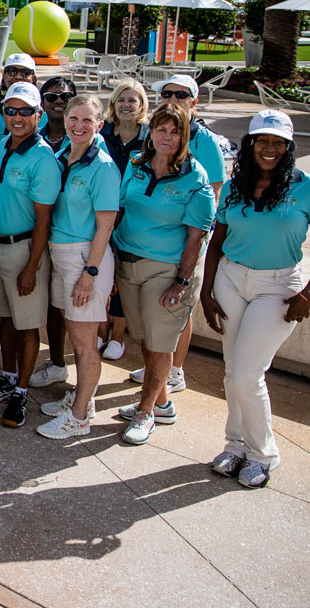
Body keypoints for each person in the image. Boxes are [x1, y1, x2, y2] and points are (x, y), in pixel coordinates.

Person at [201, 110, 310, 487]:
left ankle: (263, 454)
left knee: (248, 373)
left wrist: (308, 294)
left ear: (289, 147)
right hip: (231, 279)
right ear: (250, 144)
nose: (270, 149)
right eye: (263, 141)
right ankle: (235, 445)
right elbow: (217, 242)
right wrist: (206, 290)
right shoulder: (234, 186)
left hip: (278, 287)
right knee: (233, 371)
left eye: (279, 143)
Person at [113, 102, 215, 445]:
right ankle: (162, 404)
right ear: (150, 131)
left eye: (174, 131)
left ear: (185, 136)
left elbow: (196, 237)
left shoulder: (195, 177)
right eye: (161, 129)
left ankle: (145, 412)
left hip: (168, 271)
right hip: (128, 264)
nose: (166, 137)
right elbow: (122, 208)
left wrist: (182, 282)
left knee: (159, 345)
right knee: (146, 339)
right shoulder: (137, 164)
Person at [129, 73, 228, 396]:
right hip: (139, 255)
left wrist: (188, 264)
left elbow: (210, 197)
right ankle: (160, 371)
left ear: (194, 101)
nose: (174, 99)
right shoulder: (142, 157)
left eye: (181, 94)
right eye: (167, 93)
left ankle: (174, 370)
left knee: (174, 322)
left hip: (181, 248)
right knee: (154, 331)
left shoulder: (205, 144)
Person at [0, 82, 60, 428]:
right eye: (11, 110)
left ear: (38, 115)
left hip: (24, 248)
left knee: (27, 325)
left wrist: (31, 266)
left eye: (26, 111)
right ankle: (8, 377)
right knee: (6, 319)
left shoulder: (43, 159)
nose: (18, 117)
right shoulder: (1, 148)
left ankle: (22, 391)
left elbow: (44, 220)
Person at [36, 96, 120, 439]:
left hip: (85, 257)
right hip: (62, 253)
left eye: (88, 120)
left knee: (85, 343)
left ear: (99, 124)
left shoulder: (102, 166)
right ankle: (82, 398)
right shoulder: (65, 156)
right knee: (76, 335)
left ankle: (80, 416)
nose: (79, 125)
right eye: (74, 118)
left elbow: (106, 225)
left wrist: (90, 274)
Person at [30, 75, 79, 387]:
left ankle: (70, 363)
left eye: (65, 97)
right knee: (45, 303)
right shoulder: (34, 138)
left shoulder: (88, 138)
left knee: (70, 306)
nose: (58, 102)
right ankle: (55, 360)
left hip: (70, 234)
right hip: (37, 230)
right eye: (51, 97)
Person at [99, 79, 149, 361]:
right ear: (113, 105)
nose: (127, 105)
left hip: (133, 214)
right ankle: (100, 331)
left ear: (142, 105)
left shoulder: (149, 138)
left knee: (124, 277)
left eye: (133, 100)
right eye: (121, 100)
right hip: (103, 211)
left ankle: (118, 336)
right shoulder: (103, 133)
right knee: (102, 273)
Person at [0, 53, 43, 135]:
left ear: (33, 77)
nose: (18, 77)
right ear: (4, 75)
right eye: (12, 71)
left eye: (25, 72)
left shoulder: (43, 115)